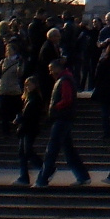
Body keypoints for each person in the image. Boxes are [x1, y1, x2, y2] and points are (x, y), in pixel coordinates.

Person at [38, 57, 91, 188]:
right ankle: (83, 176)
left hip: (62, 118)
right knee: (68, 150)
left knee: (52, 149)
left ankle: (43, 178)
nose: (50, 72)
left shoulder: (64, 80)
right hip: (65, 118)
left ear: (57, 68)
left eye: (51, 69)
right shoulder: (66, 79)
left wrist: (55, 107)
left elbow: (66, 100)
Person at [0, 29, 25, 136]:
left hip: (14, 89)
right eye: (7, 49)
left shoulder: (18, 61)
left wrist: (20, 66)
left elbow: (20, 74)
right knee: (4, 113)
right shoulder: (3, 61)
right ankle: (6, 132)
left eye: (9, 49)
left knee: (17, 110)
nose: (7, 51)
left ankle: (19, 128)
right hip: (3, 89)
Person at [13, 75, 45, 187]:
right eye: (26, 84)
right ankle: (24, 176)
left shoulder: (35, 98)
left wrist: (20, 119)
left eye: (29, 84)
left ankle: (44, 168)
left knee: (28, 151)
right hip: (25, 128)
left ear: (35, 85)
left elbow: (30, 114)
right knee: (22, 153)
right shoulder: (28, 98)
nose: (27, 86)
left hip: (30, 128)